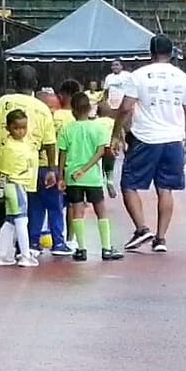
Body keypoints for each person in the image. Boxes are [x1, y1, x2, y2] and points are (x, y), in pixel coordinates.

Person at [111, 35, 186, 253]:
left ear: (151, 53)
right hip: (173, 139)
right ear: (172, 53)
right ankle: (161, 238)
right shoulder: (184, 78)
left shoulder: (138, 76)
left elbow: (126, 107)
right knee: (165, 188)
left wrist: (116, 132)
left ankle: (141, 229)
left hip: (146, 138)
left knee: (129, 183)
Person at [0, 65, 58, 258]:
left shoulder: (4, 102)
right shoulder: (42, 107)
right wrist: (52, 169)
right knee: (24, 204)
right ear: (35, 84)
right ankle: (23, 247)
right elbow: (50, 142)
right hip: (27, 165)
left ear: (13, 82)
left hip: (2, 164)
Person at [58, 92, 123, 261]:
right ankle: (106, 248)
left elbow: (62, 154)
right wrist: (86, 169)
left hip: (72, 176)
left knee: (77, 211)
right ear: (90, 109)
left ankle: (81, 248)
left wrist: (61, 176)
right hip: (92, 176)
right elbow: (101, 151)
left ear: (72, 110)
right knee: (101, 210)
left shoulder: (67, 129)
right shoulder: (98, 128)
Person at [0, 109, 39, 268]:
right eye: (17, 128)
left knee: (10, 222)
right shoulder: (10, 148)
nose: (21, 131)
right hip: (16, 185)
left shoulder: (19, 144)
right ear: (9, 128)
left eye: (24, 127)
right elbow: (3, 173)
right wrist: (0, 192)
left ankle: (1, 255)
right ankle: (25, 255)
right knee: (22, 221)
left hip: (17, 185)